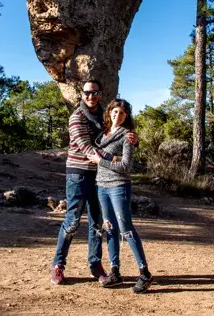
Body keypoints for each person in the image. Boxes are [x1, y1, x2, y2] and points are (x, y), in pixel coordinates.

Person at [50, 79, 136, 285]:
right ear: (82, 94)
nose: (91, 96)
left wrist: (132, 139)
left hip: (100, 176)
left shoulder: (104, 115)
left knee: (97, 223)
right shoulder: (77, 117)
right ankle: (58, 265)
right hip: (78, 174)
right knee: (72, 221)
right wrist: (115, 159)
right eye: (87, 92)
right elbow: (87, 148)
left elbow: (117, 134)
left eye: (95, 93)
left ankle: (95, 265)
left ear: (100, 94)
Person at [87, 98, 153, 294]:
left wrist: (100, 161)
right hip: (102, 186)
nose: (118, 115)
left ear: (126, 116)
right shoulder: (104, 134)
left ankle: (145, 273)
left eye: (122, 113)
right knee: (109, 228)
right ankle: (115, 271)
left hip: (119, 186)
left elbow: (126, 166)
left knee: (126, 228)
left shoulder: (127, 136)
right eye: (115, 112)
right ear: (109, 112)